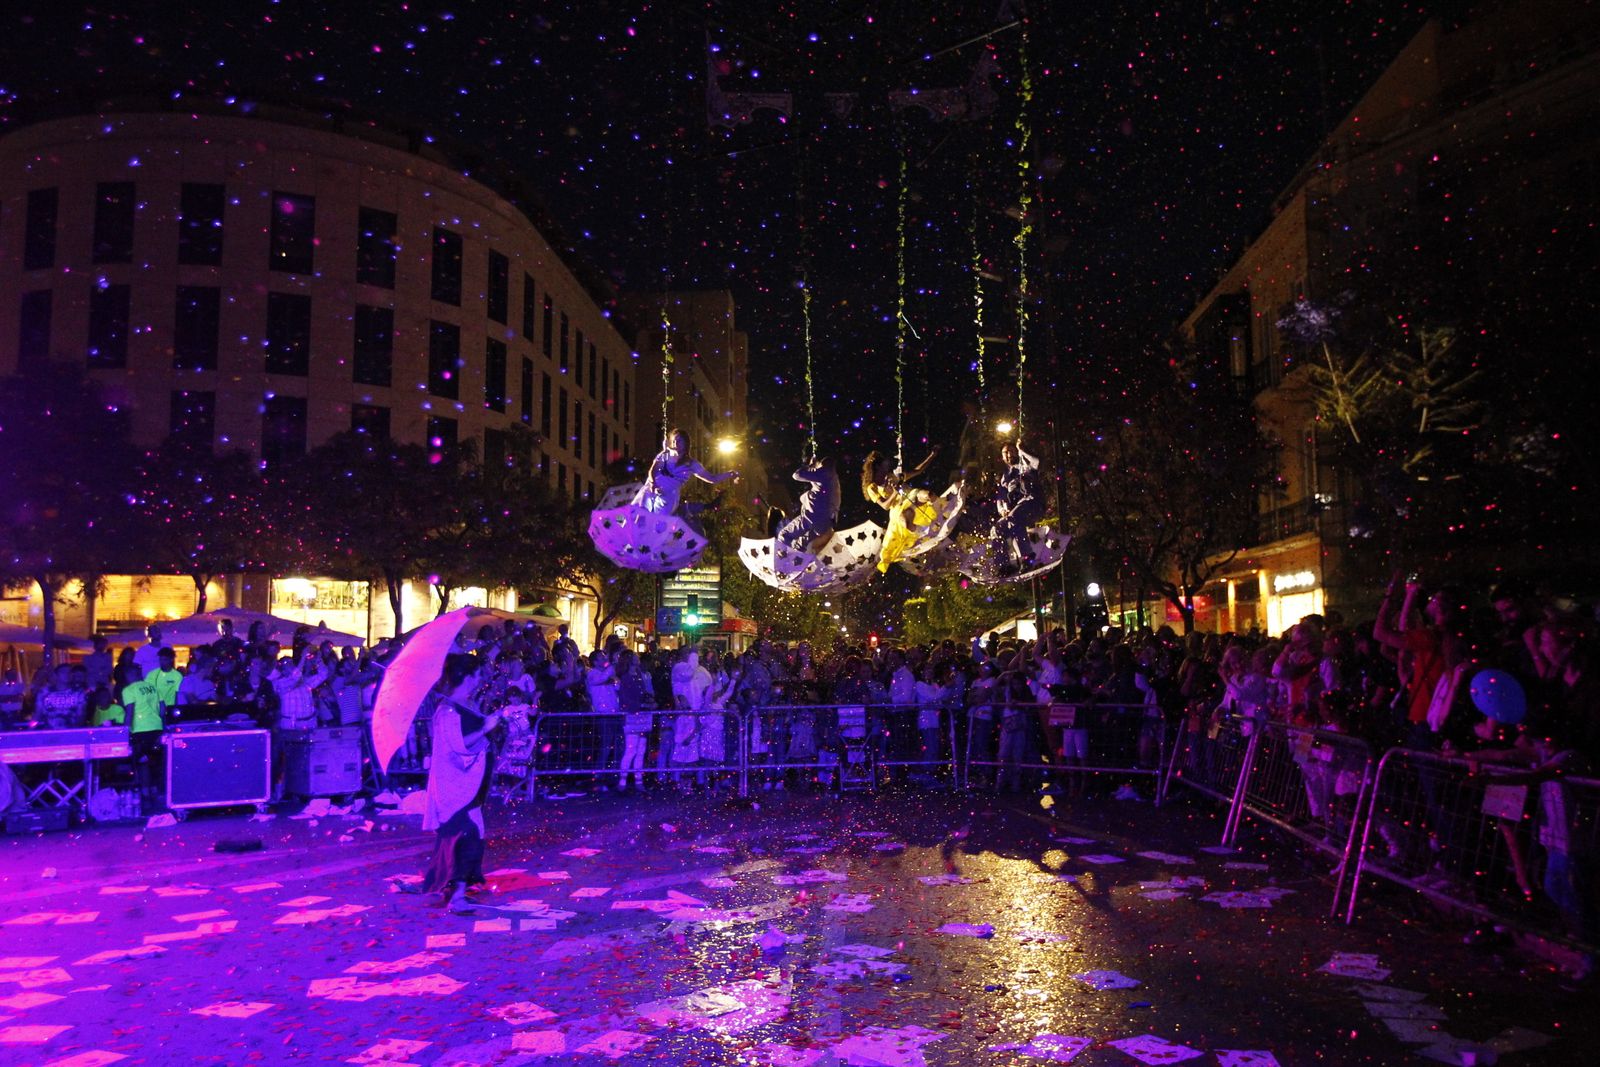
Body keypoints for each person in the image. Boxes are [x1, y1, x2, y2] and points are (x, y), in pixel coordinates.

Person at [419, 655, 502, 912]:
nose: (480, 680)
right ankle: (456, 896)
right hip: (455, 786)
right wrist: (487, 727)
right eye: (477, 674)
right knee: (465, 835)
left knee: (472, 834)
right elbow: (459, 745)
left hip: (469, 784)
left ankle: (456, 890)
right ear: (467, 677)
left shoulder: (463, 705)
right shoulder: (447, 711)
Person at [862, 447, 950, 572]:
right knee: (905, 519)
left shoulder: (893, 476)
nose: (887, 466)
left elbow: (918, 470)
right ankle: (926, 533)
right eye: (884, 464)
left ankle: (940, 515)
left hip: (910, 497)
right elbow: (885, 506)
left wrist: (932, 455)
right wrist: (894, 492)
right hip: (897, 510)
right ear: (877, 467)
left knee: (929, 495)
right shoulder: (873, 487)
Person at [631, 428, 739, 516]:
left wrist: (730, 473)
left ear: (686, 443)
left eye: (679, 441)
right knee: (638, 517)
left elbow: (712, 478)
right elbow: (652, 471)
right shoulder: (664, 455)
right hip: (650, 489)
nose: (676, 443)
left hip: (668, 497)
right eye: (674, 441)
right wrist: (653, 484)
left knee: (657, 526)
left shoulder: (692, 464)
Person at [992, 440, 1045, 569]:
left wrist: (1022, 450)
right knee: (997, 528)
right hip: (1016, 511)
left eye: (1011, 451)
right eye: (1005, 453)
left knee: (1014, 518)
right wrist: (1002, 510)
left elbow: (1036, 462)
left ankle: (1027, 557)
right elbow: (1001, 498)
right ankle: (1003, 564)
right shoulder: (1005, 477)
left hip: (1033, 503)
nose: (1008, 455)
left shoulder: (1024, 464)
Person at [771, 457, 841, 552]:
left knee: (784, 535)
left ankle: (783, 560)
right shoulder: (833, 480)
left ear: (823, 465)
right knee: (800, 546)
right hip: (824, 524)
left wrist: (809, 466)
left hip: (811, 518)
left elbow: (797, 475)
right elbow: (816, 481)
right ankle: (799, 562)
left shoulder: (824, 473)